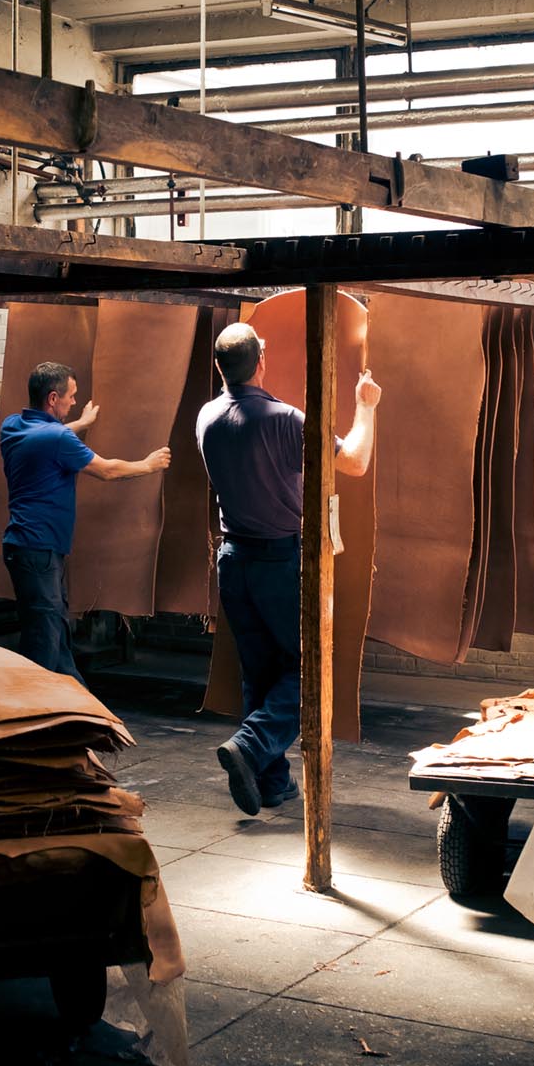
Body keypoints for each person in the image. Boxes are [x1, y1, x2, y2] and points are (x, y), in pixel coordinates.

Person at [195, 321, 381, 815]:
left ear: (219, 366)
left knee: (260, 671)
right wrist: (366, 405)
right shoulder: (284, 419)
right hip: (277, 559)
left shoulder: (207, 416)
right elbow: (356, 462)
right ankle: (252, 746)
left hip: (233, 560)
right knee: (311, 669)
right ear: (262, 359)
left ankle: (271, 782)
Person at [0, 360, 171, 679]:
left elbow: (51, 434)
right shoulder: (57, 440)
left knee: (54, 636)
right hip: (39, 551)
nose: (74, 401)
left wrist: (80, 422)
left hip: (26, 549)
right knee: (44, 644)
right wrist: (149, 465)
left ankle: (80, 708)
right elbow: (106, 470)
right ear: (53, 398)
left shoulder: (13, 427)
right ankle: (38, 716)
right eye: (71, 396)